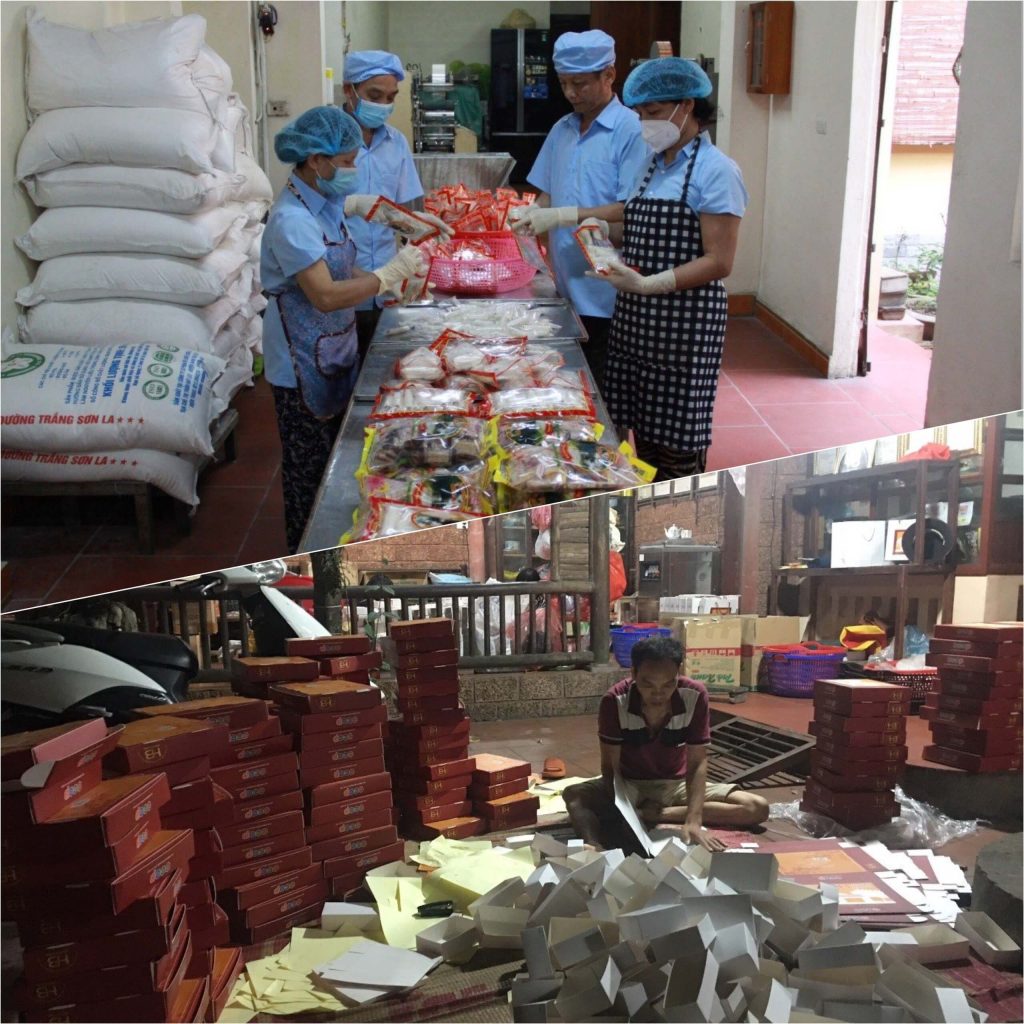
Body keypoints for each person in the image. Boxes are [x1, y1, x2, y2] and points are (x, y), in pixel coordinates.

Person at [523, 58, 748, 480]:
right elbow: (638, 228)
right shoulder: (651, 166)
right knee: (631, 435)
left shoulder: (717, 171)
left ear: (687, 106)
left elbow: (720, 260)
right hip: (634, 323)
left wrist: (650, 284)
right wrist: (598, 231)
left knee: (674, 447)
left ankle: (674, 509)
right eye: (641, 113)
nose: (645, 123)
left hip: (683, 329)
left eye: (654, 112)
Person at [261, 105, 428, 552]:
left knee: (338, 464)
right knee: (309, 474)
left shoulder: (325, 203)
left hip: (332, 347)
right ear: (317, 160)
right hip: (299, 364)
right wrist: (388, 275)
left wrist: (386, 287)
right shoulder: (292, 220)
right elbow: (325, 294)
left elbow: (342, 265)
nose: (354, 170)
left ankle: (342, 547)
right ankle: (305, 558)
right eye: (349, 161)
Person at [510, 30, 648, 388]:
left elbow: (632, 210)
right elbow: (547, 193)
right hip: (563, 285)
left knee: (602, 390)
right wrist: (529, 213)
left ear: (609, 75)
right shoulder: (562, 130)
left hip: (609, 291)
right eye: (564, 83)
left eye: (580, 83)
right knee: (564, 385)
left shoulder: (631, 131)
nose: (571, 93)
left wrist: (564, 215)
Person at [563, 636, 768, 853]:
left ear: (679, 673)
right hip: (630, 784)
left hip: (676, 784)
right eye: (648, 684)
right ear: (633, 674)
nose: (658, 693)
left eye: (669, 683)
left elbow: (697, 762)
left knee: (757, 807)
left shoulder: (695, 695)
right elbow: (610, 768)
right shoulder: (614, 701)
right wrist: (626, 810)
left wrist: (694, 820)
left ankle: (657, 814)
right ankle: (594, 845)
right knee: (574, 796)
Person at [338, 50, 436, 359]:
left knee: (382, 363)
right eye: (374, 96)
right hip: (338, 284)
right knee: (340, 367)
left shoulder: (396, 143)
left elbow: (404, 211)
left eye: (390, 98)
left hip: (387, 281)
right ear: (349, 90)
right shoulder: (327, 140)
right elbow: (311, 212)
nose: (383, 105)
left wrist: (422, 231)